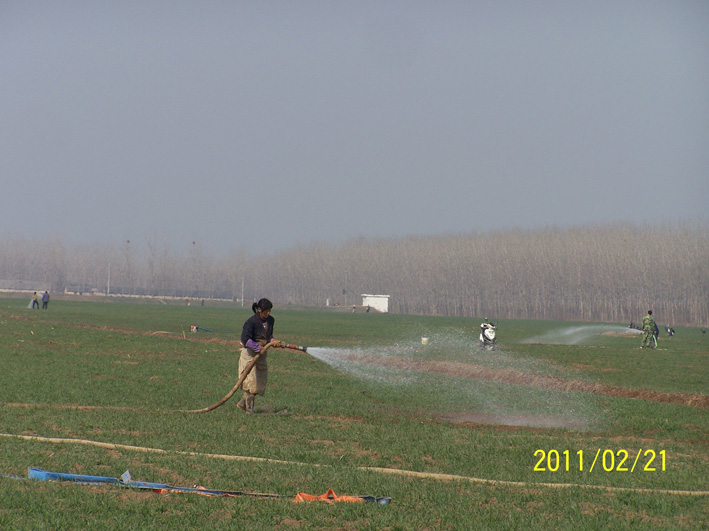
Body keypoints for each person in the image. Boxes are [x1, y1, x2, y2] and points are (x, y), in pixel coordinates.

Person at [237, 298, 282, 413]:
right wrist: (257, 348)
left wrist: (273, 341)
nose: (268, 313)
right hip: (250, 354)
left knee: (260, 381)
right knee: (251, 381)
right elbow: (245, 339)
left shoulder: (271, 320)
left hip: (262, 354)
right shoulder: (251, 322)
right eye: (266, 311)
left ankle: (242, 402)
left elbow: (268, 335)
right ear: (259, 310)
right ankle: (249, 409)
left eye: (269, 311)